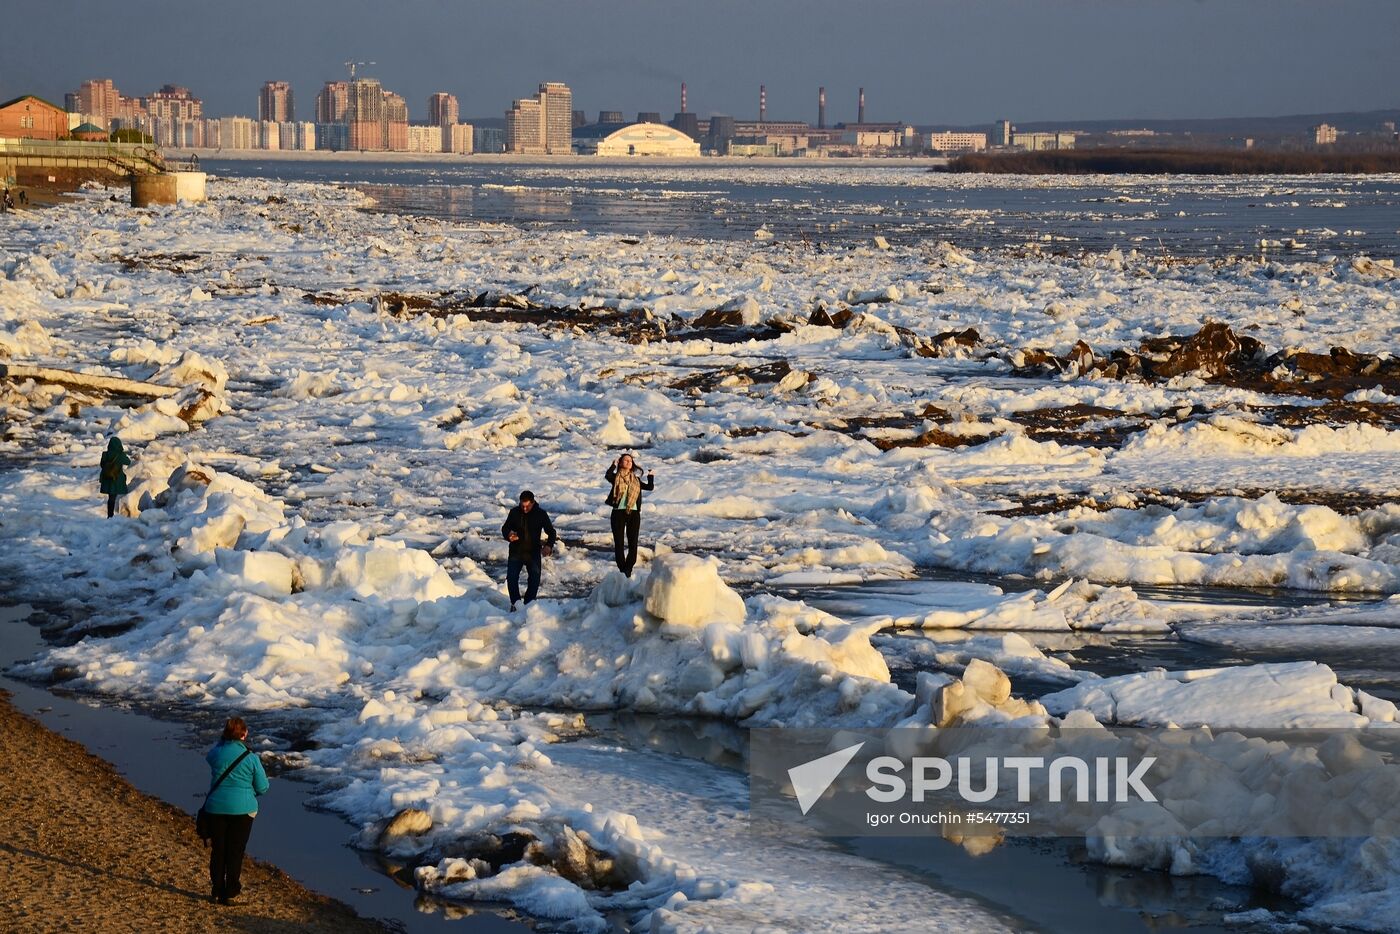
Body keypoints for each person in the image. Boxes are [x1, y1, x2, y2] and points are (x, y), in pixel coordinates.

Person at [204, 716, 269, 905]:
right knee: (235, 852)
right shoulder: (251, 758)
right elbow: (263, 787)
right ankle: (230, 891)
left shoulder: (216, 753)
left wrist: (223, 741)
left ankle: (216, 890)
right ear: (245, 733)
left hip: (215, 807)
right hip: (242, 810)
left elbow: (211, 756)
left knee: (219, 851)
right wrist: (249, 793)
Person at [501, 490, 557, 610]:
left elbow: (551, 532)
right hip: (516, 551)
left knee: (534, 580)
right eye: (522, 505)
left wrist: (548, 545)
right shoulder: (514, 512)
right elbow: (505, 528)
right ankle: (516, 605)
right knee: (511, 578)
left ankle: (528, 605)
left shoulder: (541, 514)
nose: (525, 508)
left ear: (533, 503)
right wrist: (508, 535)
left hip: (533, 552)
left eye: (527, 506)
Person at [605, 453, 655, 577]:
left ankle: (629, 567)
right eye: (626, 460)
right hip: (618, 513)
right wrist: (613, 465)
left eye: (630, 461)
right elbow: (608, 475)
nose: (628, 462)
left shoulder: (636, 480)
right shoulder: (616, 477)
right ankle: (623, 569)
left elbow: (649, 487)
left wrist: (651, 476)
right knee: (619, 542)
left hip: (634, 513)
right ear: (621, 463)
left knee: (633, 542)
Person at [98, 436, 130, 518]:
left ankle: (110, 515)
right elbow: (128, 462)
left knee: (111, 497)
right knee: (113, 497)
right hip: (116, 479)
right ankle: (111, 516)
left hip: (107, 478)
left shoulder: (105, 454)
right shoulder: (120, 455)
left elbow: (102, 465)